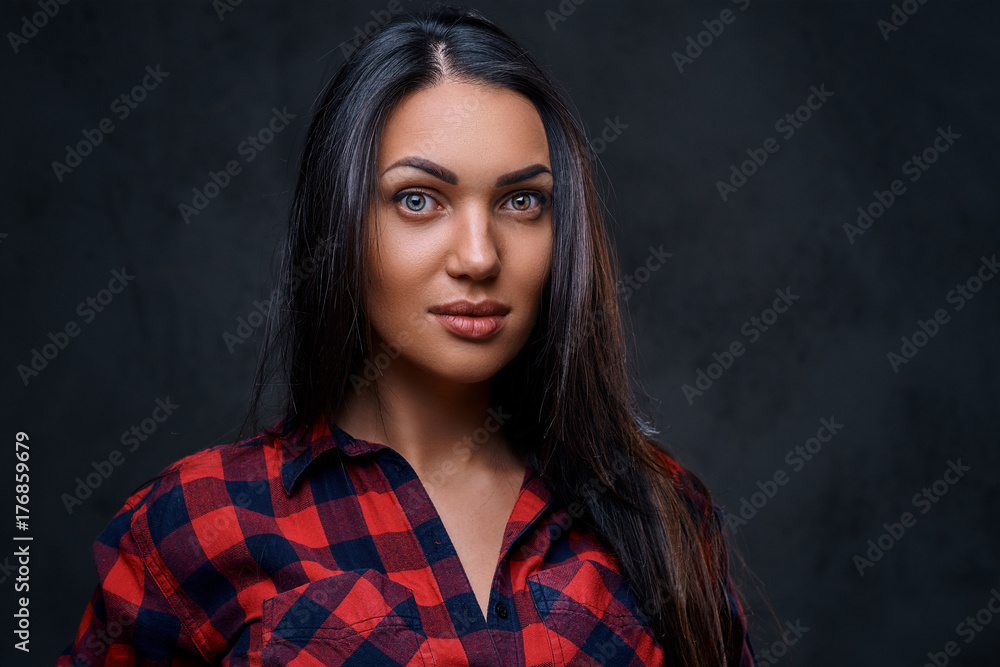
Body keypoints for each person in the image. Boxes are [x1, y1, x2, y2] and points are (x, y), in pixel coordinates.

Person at [58, 5, 758, 665]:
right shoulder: (198, 520)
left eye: (522, 201)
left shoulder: (658, 510)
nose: (480, 256)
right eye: (419, 199)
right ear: (341, 225)